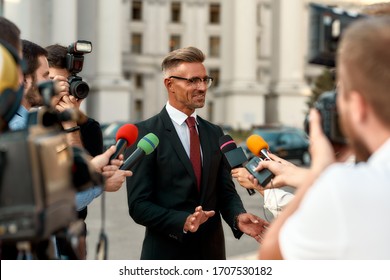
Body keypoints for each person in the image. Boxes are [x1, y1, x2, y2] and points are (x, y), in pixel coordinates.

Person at [259, 16, 390, 259]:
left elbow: (271, 257)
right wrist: (298, 174)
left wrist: (322, 168)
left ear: (358, 107)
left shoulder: (344, 188)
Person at [125, 46, 268, 260]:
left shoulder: (214, 132)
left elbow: (225, 191)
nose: (202, 87)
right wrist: (182, 221)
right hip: (166, 255)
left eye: (205, 80)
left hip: (212, 253)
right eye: (192, 81)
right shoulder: (145, 134)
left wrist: (237, 217)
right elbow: (139, 205)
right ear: (169, 84)